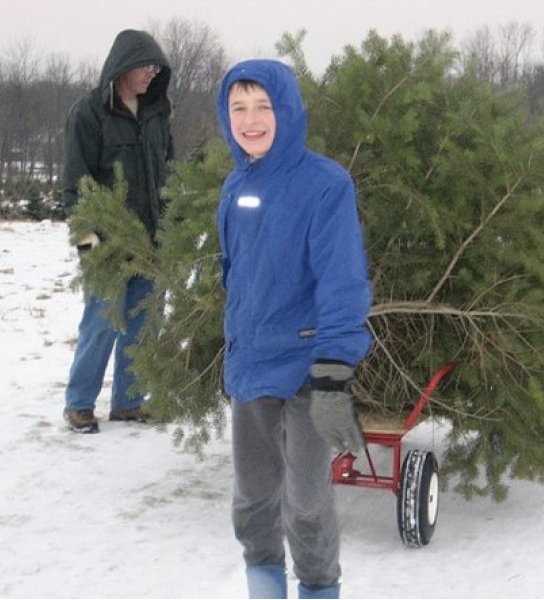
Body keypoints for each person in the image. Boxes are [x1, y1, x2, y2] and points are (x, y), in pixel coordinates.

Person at [215, 59, 372, 599]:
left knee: (306, 503)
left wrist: (333, 375)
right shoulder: (235, 187)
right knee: (253, 501)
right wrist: (232, 352)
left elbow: (342, 281)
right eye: (239, 108)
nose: (251, 120)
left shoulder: (325, 184)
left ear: (287, 111)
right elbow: (234, 276)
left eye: (264, 106)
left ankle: (319, 588)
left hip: (308, 371)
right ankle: (264, 588)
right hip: (253, 366)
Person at [61, 29, 173, 433]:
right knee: (102, 322)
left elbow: (169, 174)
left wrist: (171, 231)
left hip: (150, 243)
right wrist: (89, 247)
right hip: (106, 244)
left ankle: (129, 402)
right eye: (144, 66)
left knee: (144, 321)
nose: (150, 74)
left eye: (156, 67)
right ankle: (79, 404)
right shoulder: (89, 114)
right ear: (122, 67)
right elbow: (75, 187)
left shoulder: (158, 114)